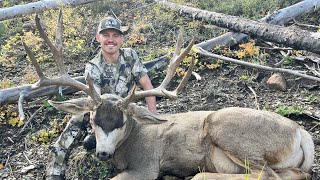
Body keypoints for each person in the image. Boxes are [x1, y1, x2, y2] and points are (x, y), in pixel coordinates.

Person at [83, 17, 157, 149]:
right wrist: (94, 119)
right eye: (106, 35)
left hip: (125, 110)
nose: (111, 39)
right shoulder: (92, 66)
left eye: (115, 35)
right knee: (73, 125)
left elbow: (147, 85)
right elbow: (94, 96)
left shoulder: (130, 56)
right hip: (103, 113)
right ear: (98, 37)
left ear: (122, 39)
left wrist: (153, 116)